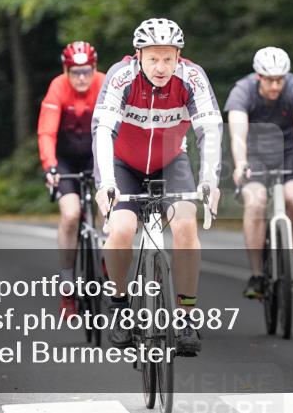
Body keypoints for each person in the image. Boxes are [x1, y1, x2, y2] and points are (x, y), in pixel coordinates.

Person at [92, 18, 222, 356]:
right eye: (153, 58)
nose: (162, 67)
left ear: (179, 55)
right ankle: (119, 303)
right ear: (138, 55)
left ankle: (186, 317)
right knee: (120, 228)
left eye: (168, 58)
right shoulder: (121, 77)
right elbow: (103, 130)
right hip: (123, 165)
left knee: (185, 223)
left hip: (170, 162)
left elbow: (209, 129)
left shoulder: (192, 77)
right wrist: (106, 182)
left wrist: (209, 179)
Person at [224, 47, 293, 298]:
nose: (275, 86)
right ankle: (257, 274)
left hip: (289, 151)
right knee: (255, 202)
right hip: (254, 156)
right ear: (258, 76)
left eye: (279, 80)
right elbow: (238, 134)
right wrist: (240, 164)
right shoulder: (242, 91)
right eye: (269, 80)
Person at [38, 41, 106, 317]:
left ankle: (108, 258)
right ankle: (67, 285)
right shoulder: (58, 87)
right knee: (70, 214)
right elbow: (47, 132)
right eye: (75, 72)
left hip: (97, 154)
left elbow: (118, 127)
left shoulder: (103, 84)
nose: (81, 78)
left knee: (109, 207)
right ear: (66, 70)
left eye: (86, 71)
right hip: (66, 158)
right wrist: (50, 167)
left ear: (94, 69)